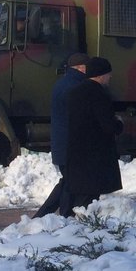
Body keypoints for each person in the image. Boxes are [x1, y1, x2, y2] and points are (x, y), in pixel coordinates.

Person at [60, 56, 123, 213]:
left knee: (79, 193)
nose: (111, 76)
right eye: (109, 73)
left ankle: (70, 221)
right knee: (89, 199)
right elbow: (107, 126)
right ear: (101, 74)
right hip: (95, 154)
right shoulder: (99, 94)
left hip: (77, 151)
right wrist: (119, 123)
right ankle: (83, 229)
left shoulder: (74, 92)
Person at [33, 52, 89, 218]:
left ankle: (42, 217)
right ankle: (64, 217)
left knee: (68, 181)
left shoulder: (64, 83)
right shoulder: (76, 87)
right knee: (70, 183)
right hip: (70, 144)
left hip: (63, 143)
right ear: (81, 68)